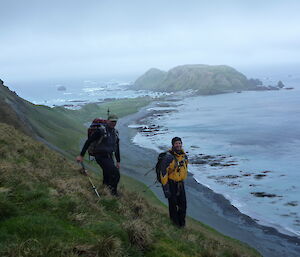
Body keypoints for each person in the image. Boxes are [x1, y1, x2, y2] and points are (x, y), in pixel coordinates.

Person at [76, 114, 120, 195]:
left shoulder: (115, 132)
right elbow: (88, 141)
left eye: (115, 121)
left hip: (109, 156)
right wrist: (81, 155)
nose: (113, 123)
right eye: (112, 121)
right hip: (100, 156)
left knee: (107, 174)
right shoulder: (100, 131)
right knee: (115, 174)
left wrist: (118, 161)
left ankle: (104, 190)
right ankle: (113, 194)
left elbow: (117, 147)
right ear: (108, 121)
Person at [161, 137, 188, 227]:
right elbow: (163, 173)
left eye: (179, 143)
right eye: (176, 143)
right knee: (173, 205)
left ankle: (182, 225)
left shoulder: (184, 156)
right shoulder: (168, 157)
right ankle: (175, 225)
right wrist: (165, 188)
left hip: (180, 184)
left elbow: (185, 167)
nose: (178, 145)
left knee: (183, 205)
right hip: (171, 184)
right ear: (173, 145)